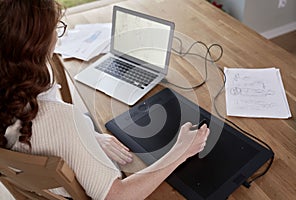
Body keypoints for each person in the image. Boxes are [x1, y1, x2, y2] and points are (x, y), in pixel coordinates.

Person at [0, 0, 210, 199]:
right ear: (36, 44)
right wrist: (181, 151)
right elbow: (117, 196)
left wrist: (88, 137)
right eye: (55, 28)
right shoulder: (64, 120)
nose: (57, 35)